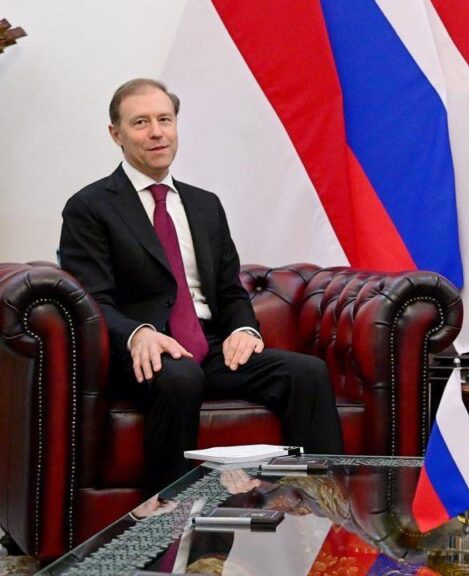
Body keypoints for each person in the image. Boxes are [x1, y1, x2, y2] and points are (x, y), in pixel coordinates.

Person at [60, 78, 343, 492]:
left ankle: (322, 505)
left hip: (207, 347)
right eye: (140, 122)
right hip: (143, 353)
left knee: (306, 372)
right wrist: (138, 334)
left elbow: (229, 290)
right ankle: (170, 519)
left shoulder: (204, 204)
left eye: (164, 120)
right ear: (116, 134)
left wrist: (244, 329)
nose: (156, 132)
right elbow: (92, 301)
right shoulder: (89, 207)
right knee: (181, 377)